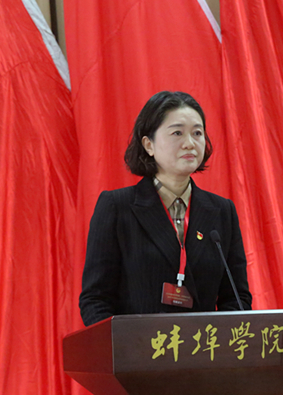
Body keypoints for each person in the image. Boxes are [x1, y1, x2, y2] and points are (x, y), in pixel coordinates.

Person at [79, 91, 252, 326]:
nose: (190, 143)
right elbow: (95, 299)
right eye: (177, 133)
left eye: (197, 133)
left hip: (204, 346)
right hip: (140, 346)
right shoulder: (117, 207)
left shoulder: (222, 211)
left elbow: (237, 298)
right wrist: (123, 346)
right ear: (149, 145)